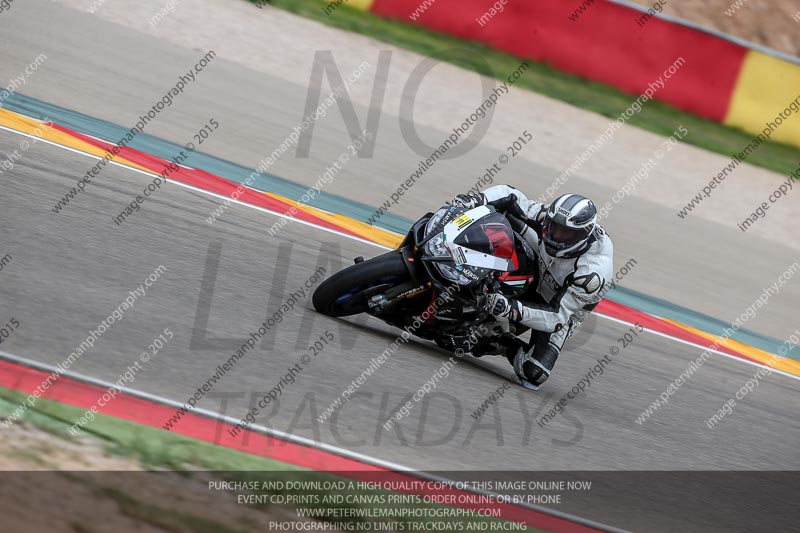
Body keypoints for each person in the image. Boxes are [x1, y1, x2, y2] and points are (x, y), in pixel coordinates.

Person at [450, 185, 614, 389]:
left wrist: (510, 309)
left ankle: (500, 341)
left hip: (556, 308)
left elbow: (557, 316)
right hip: (539, 267)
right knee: (504, 214)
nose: (555, 236)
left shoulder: (592, 272)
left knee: (534, 372)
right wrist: (475, 200)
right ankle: (462, 260)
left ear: (583, 235)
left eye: (565, 233)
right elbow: (512, 195)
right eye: (553, 227)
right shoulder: (548, 217)